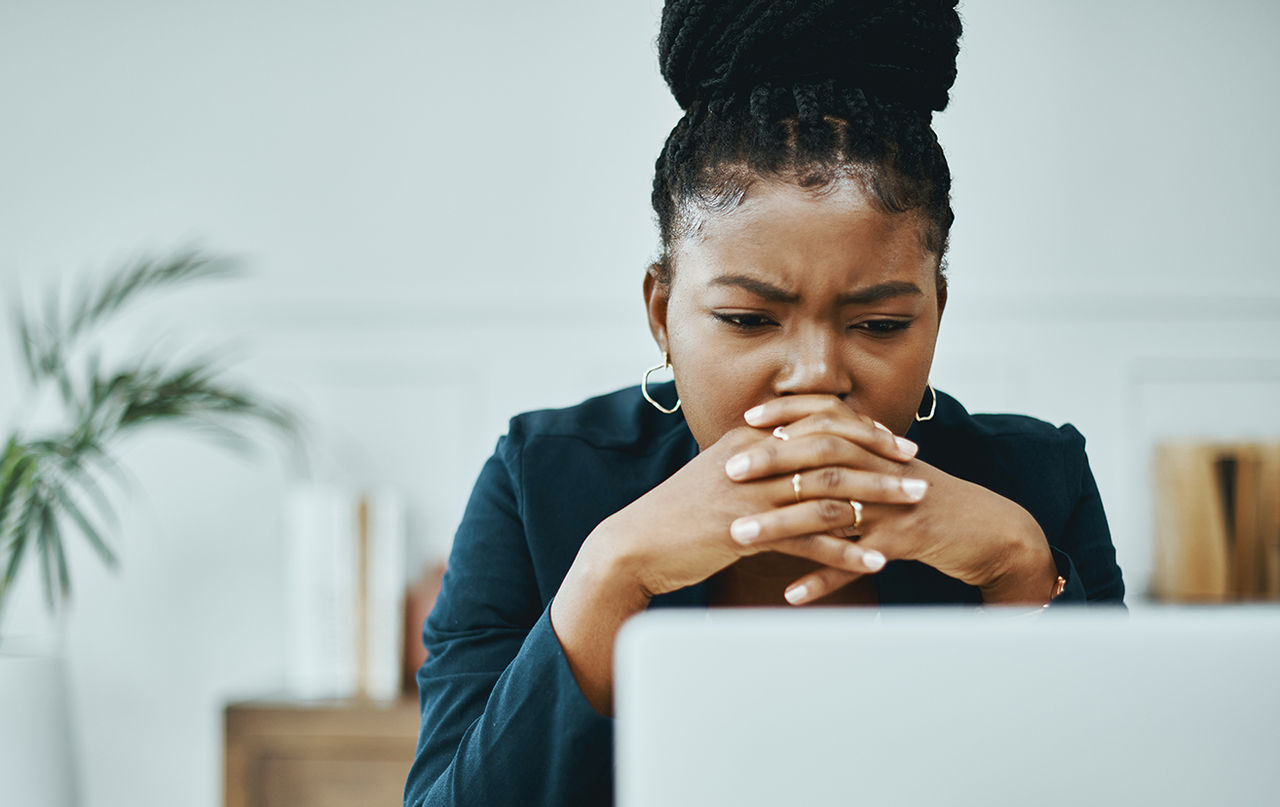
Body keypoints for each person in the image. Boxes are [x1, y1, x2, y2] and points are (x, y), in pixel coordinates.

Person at [403, 1, 1125, 805]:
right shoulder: (538, 481)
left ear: (938, 315)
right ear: (661, 314)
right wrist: (613, 573)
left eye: (880, 324)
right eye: (748, 319)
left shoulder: (1037, 482)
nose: (815, 375)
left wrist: (1019, 571)